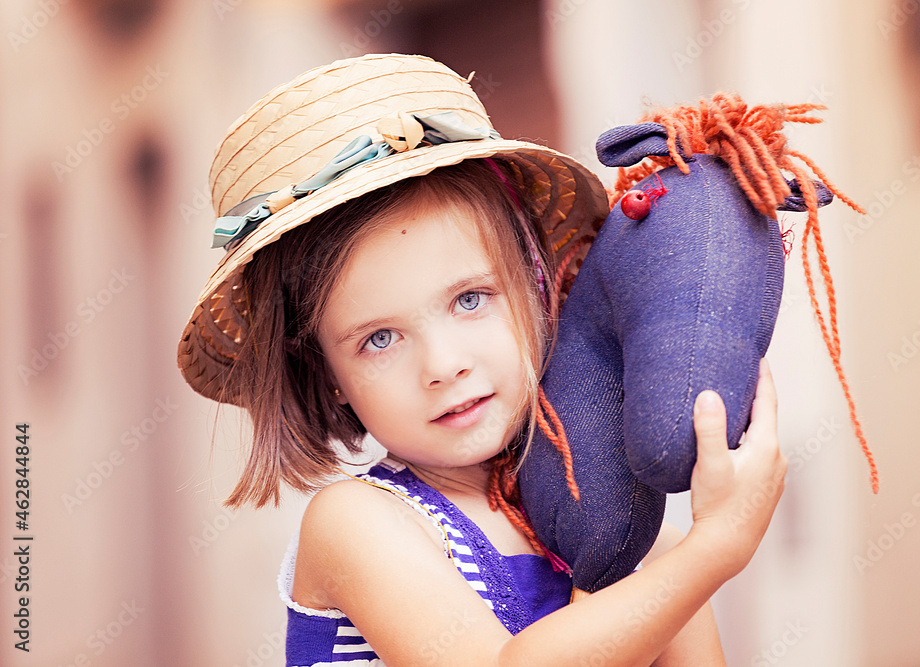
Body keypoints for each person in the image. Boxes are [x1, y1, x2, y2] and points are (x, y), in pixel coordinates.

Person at [177, 53, 787, 667]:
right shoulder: (358, 524)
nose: (442, 366)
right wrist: (716, 550)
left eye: (470, 299)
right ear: (325, 373)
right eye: (379, 339)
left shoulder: (644, 549)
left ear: (537, 286)